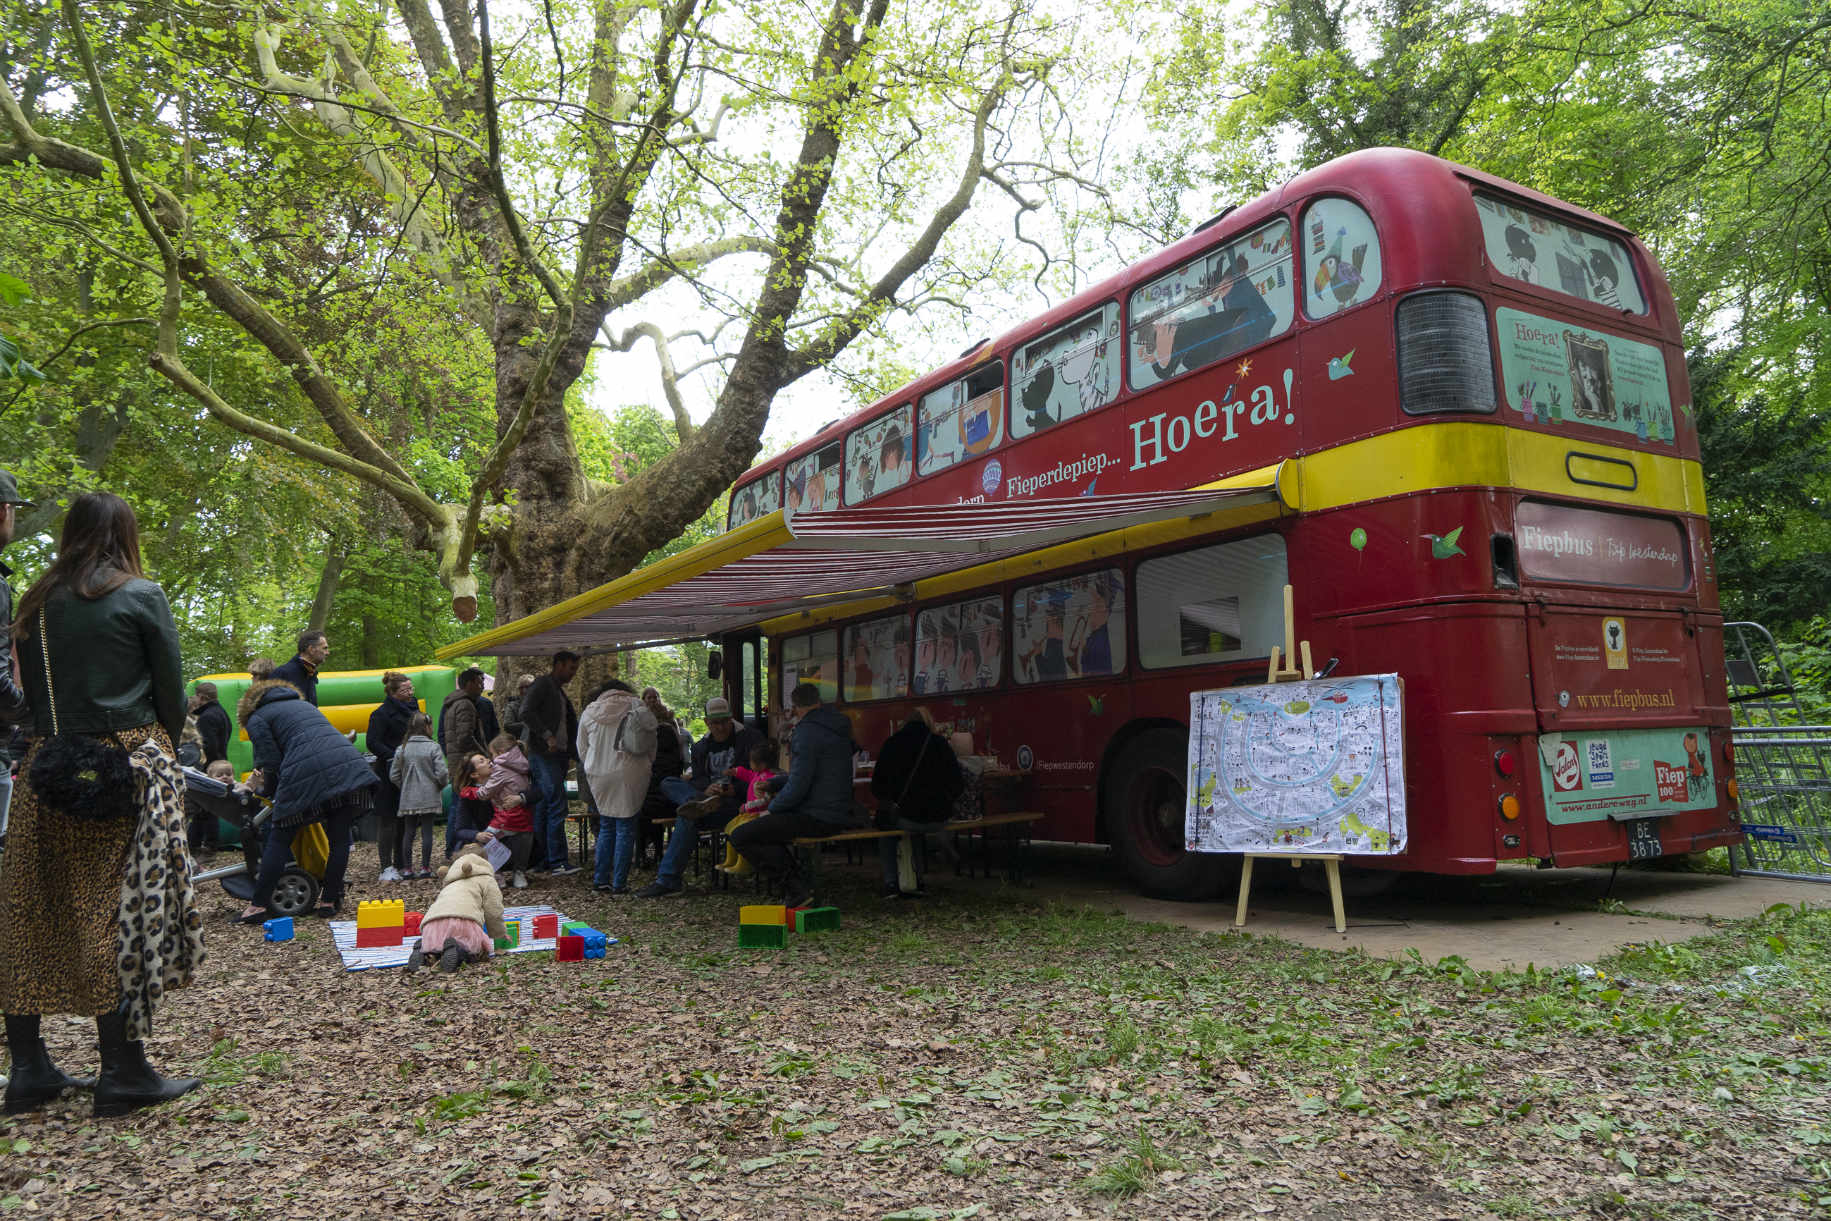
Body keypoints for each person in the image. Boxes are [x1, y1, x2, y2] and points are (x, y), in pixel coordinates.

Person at [0, 491, 202, 1116]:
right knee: (115, 908)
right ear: (124, 534)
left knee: (29, 907)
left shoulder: (35, 601)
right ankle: (123, 1072)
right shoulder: (140, 595)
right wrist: (165, 750)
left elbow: (27, 692)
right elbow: (170, 691)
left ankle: (28, 1070)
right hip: (124, 763)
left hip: (46, 766)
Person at [235, 672, 378, 925]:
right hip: (347, 765)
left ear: (248, 705)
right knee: (339, 839)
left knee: (280, 837)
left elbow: (270, 760)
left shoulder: (257, 717)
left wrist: (267, 792)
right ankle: (329, 901)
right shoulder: (304, 706)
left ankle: (258, 906)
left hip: (306, 772)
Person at [727, 683, 859, 907]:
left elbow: (798, 786)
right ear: (819, 701)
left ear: (796, 707)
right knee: (764, 830)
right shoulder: (838, 726)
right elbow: (814, 775)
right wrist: (774, 783)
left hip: (816, 815)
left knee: (742, 835)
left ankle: (796, 888)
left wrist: (771, 809)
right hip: (838, 812)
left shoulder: (805, 733)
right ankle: (799, 885)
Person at [635, 697, 763, 898]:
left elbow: (762, 776)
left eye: (724, 721)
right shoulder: (701, 747)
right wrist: (706, 789)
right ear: (707, 722)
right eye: (715, 723)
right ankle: (696, 801)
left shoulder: (751, 739)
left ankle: (668, 881)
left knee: (688, 816)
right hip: (708, 800)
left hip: (738, 805)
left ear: (731, 718)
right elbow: (698, 779)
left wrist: (735, 789)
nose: (720, 727)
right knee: (668, 783)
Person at [870, 710, 964, 898]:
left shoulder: (892, 744)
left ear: (905, 723)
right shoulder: (940, 744)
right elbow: (958, 785)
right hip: (939, 819)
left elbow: (877, 788)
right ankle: (917, 880)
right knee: (915, 830)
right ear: (929, 722)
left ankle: (891, 883)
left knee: (887, 831)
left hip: (906, 818)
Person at [578, 680, 657, 896]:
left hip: (600, 774)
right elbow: (651, 744)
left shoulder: (590, 712)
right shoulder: (638, 707)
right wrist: (646, 766)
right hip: (631, 772)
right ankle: (619, 884)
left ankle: (600, 880)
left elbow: (582, 748)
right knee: (626, 828)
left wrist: (593, 766)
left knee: (606, 826)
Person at [520, 651, 582, 875]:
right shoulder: (542, 685)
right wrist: (547, 735)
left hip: (558, 756)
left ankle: (543, 859)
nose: (573, 673)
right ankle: (558, 861)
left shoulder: (558, 691)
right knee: (556, 804)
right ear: (559, 665)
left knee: (545, 805)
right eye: (571, 668)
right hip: (544, 755)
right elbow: (526, 712)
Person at [404, 849, 507, 976]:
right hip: (463, 921)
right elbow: (493, 910)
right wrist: (499, 933)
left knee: (439, 948)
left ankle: (424, 951)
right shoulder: (485, 879)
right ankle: (458, 951)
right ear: (484, 862)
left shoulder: (451, 881)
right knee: (473, 951)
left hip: (431, 924)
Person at [366, 670, 419, 883]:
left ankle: (402, 862)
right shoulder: (381, 714)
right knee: (388, 819)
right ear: (393, 692)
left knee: (406, 818)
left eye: (411, 688)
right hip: (388, 772)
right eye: (406, 689)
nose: (411, 692)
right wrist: (395, 755)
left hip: (411, 770)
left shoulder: (415, 710)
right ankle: (386, 866)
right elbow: (372, 742)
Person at [390, 711, 447, 880]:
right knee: (427, 831)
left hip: (409, 797)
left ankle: (407, 869)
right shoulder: (433, 747)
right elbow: (442, 773)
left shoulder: (402, 748)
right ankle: (425, 868)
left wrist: (405, 786)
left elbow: (393, 775)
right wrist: (439, 785)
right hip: (429, 795)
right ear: (427, 727)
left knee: (409, 832)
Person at [716, 740, 782, 876]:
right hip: (750, 814)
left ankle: (744, 863)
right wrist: (736, 771)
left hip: (758, 815)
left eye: (751, 762)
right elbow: (748, 774)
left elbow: (764, 801)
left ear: (761, 764)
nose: (749, 764)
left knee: (741, 833)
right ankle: (730, 860)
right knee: (731, 830)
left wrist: (747, 807)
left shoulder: (768, 780)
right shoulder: (758, 774)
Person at [479, 733, 535, 888]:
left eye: (492, 754)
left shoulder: (500, 767)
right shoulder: (524, 764)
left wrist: (477, 790)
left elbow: (486, 792)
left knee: (485, 838)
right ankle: (519, 873)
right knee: (523, 842)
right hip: (525, 815)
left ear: (500, 752)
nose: (490, 759)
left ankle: (496, 874)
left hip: (506, 817)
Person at [273, 629, 329, 706]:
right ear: (311, 649)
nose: (328, 653)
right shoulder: (282, 673)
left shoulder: (310, 672)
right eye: (325, 648)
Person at [500, 673, 535, 739]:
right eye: (521, 688)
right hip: (519, 741)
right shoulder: (512, 706)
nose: (524, 690)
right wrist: (525, 725)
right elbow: (507, 726)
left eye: (527, 687)